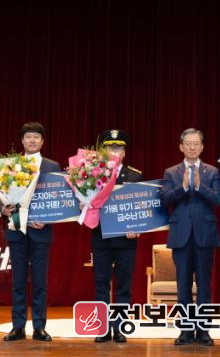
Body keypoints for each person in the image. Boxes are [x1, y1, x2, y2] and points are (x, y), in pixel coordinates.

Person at [160, 128, 220, 347]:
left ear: (202, 147)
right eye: (188, 143)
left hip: (205, 235)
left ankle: (203, 330)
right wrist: (184, 187)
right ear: (181, 147)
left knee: (204, 285)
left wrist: (199, 186)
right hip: (181, 236)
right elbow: (165, 199)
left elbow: (218, 200)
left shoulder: (212, 171)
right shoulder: (171, 172)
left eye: (196, 143)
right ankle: (186, 330)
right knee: (183, 285)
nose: (192, 147)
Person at [1, 122, 60, 342]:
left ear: (42, 141)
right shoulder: (10, 165)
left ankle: (39, 327)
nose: (32, 140)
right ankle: (17, 327)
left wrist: (47, 219)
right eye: (28, 136)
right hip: (17, 229)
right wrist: (3, 208)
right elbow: (1, 195)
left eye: (36, 137)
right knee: (18, 281)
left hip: (41, 232)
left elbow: (58, 199)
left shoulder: (52, 166)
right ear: (22, 141)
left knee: (39, 282)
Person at [92, 129, 142, 343]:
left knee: (124, 285)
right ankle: (103, 328)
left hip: (126, 238)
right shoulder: (92, 173)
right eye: (110, 148)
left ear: (124, 152)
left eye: (118, 147)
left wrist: (137, 226)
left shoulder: (135, 176)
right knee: (101, 283)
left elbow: (140, 207)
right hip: (100, 236)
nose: (114, 151)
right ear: (102, 152)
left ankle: (120, 327)